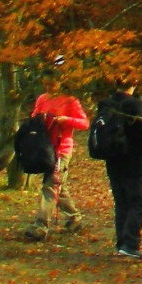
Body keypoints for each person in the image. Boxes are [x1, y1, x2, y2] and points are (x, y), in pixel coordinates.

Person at [97, 84, 142, 261]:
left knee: (122, 203)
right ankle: (131, 244)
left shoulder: (106, 104)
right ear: (133, 84)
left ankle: (122, 243)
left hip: (113, 159)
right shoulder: (134, 105)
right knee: (139, 202)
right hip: (133, 160)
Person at [24, 88, 90, 241]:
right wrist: (39, 119)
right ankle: (74, 218)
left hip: (62, 149)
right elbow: (34, 116)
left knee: (51, 185)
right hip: (45, 147)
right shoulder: (42, 98)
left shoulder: (70, 100)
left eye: (52, 83)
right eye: (46, 84)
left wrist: (65, 119)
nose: (49, 87)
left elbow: (84, 123)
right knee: (58, 185)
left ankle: (40, 226)